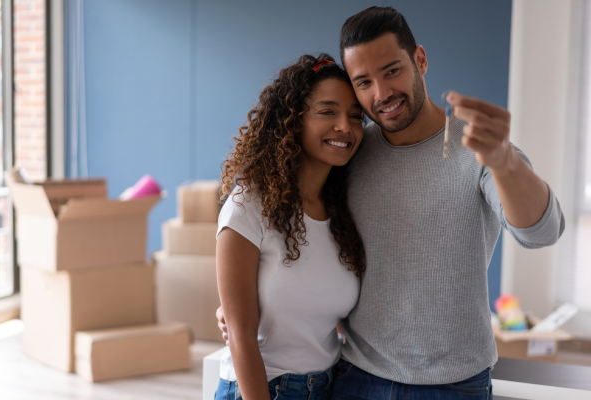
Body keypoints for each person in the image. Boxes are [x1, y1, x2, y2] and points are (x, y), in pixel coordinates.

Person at [218, 6, 565, 400]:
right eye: (363, 81)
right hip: (355, 379)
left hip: (454, 386)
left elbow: (542, 232)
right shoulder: (351, 153)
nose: (381, 94)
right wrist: (242, 309)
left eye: (392, 71)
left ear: (420, 59)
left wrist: (505, 162)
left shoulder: (480, 151)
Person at [214, 54, 366, 400]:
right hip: (262, 389)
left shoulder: (342, 212)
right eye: (327, 111)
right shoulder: (248, 205)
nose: (345, 126)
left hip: (329, 386)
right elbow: (240, 337)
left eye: (355, 116)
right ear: (293, 121)